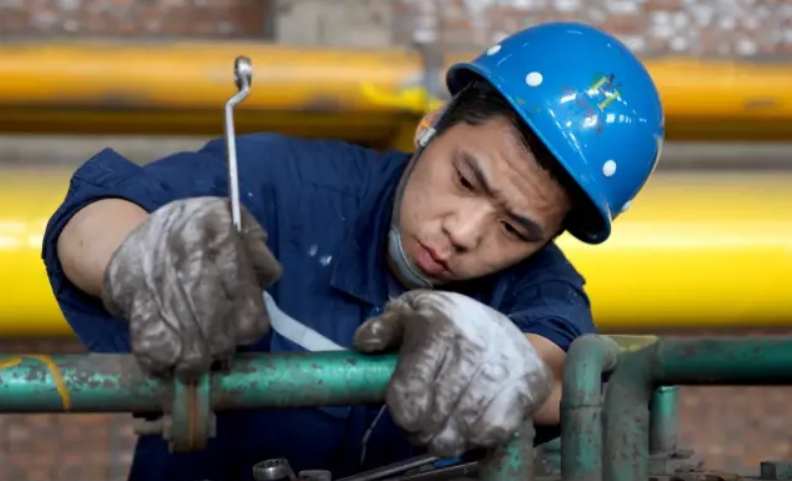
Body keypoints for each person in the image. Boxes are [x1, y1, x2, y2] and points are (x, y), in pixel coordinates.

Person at [42, 21, 664, 481]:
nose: (465, 231)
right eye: (466, 180)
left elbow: (556, 369)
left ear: (550, 237)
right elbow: (97, 215)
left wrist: (506, 363)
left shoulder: (540, 287)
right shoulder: (284, 182)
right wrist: (144, 253)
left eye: (516, 228)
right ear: (433, 124)